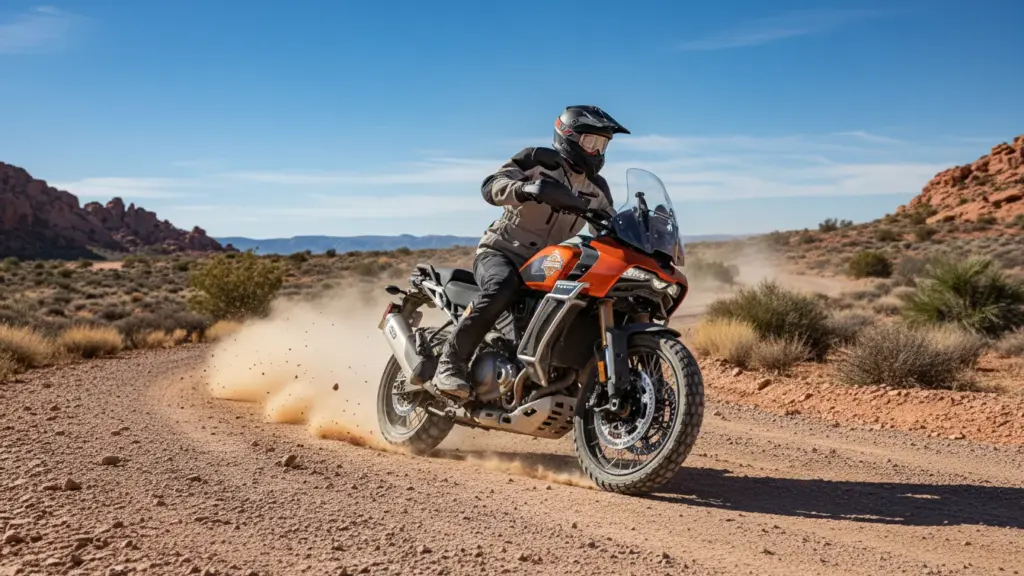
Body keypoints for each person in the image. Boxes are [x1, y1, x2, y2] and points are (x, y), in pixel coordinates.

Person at [433, 105, 631, 399]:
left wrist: (635, 230)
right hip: (501, 252)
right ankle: (450, 364)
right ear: (568, 137)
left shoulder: (597, 189)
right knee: (502, 286)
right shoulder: (536, 160)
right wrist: (526, 189)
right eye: (591, 142)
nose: (596, 151)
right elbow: (491, 186)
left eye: (602, 144)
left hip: (546, 264)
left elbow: (610, 225)